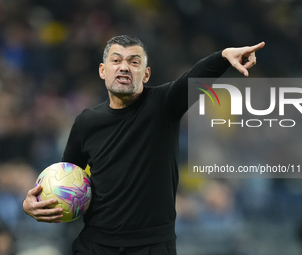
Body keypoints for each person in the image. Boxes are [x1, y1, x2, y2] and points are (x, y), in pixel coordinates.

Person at [22, 35, 265, 255]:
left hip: (151, 247)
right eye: (116, 60)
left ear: (146, 74)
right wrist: (33, 204)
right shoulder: (86, 122)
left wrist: (222, 57)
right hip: (95, 245)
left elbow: (192, 80)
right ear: (102, 71)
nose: (124, 66)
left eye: (134, 62)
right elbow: (66, 177)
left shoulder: (163, 105)